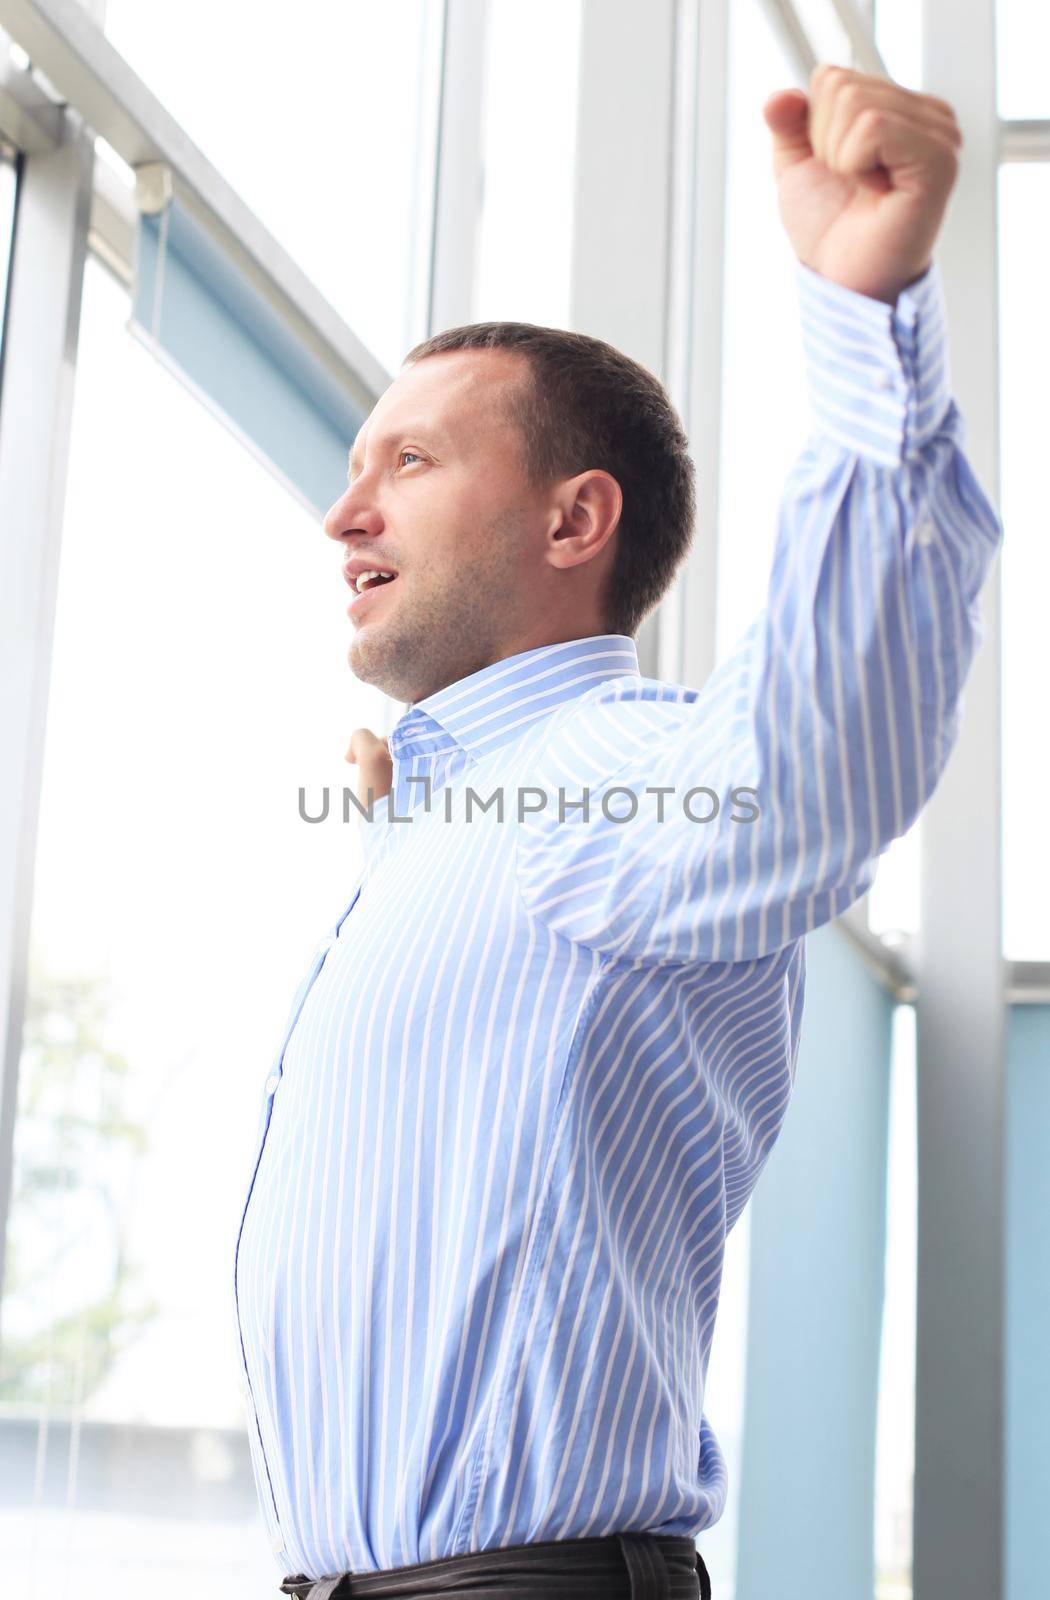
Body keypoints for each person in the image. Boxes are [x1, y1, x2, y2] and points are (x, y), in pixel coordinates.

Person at [232, 64, 1002, 1600]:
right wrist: (413, 836)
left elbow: (821, 753)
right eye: (351, 466)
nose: (344, 514)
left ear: (574, 523)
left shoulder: (611, 782)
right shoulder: (483, 816)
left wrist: (865, 322)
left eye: (410, 463)